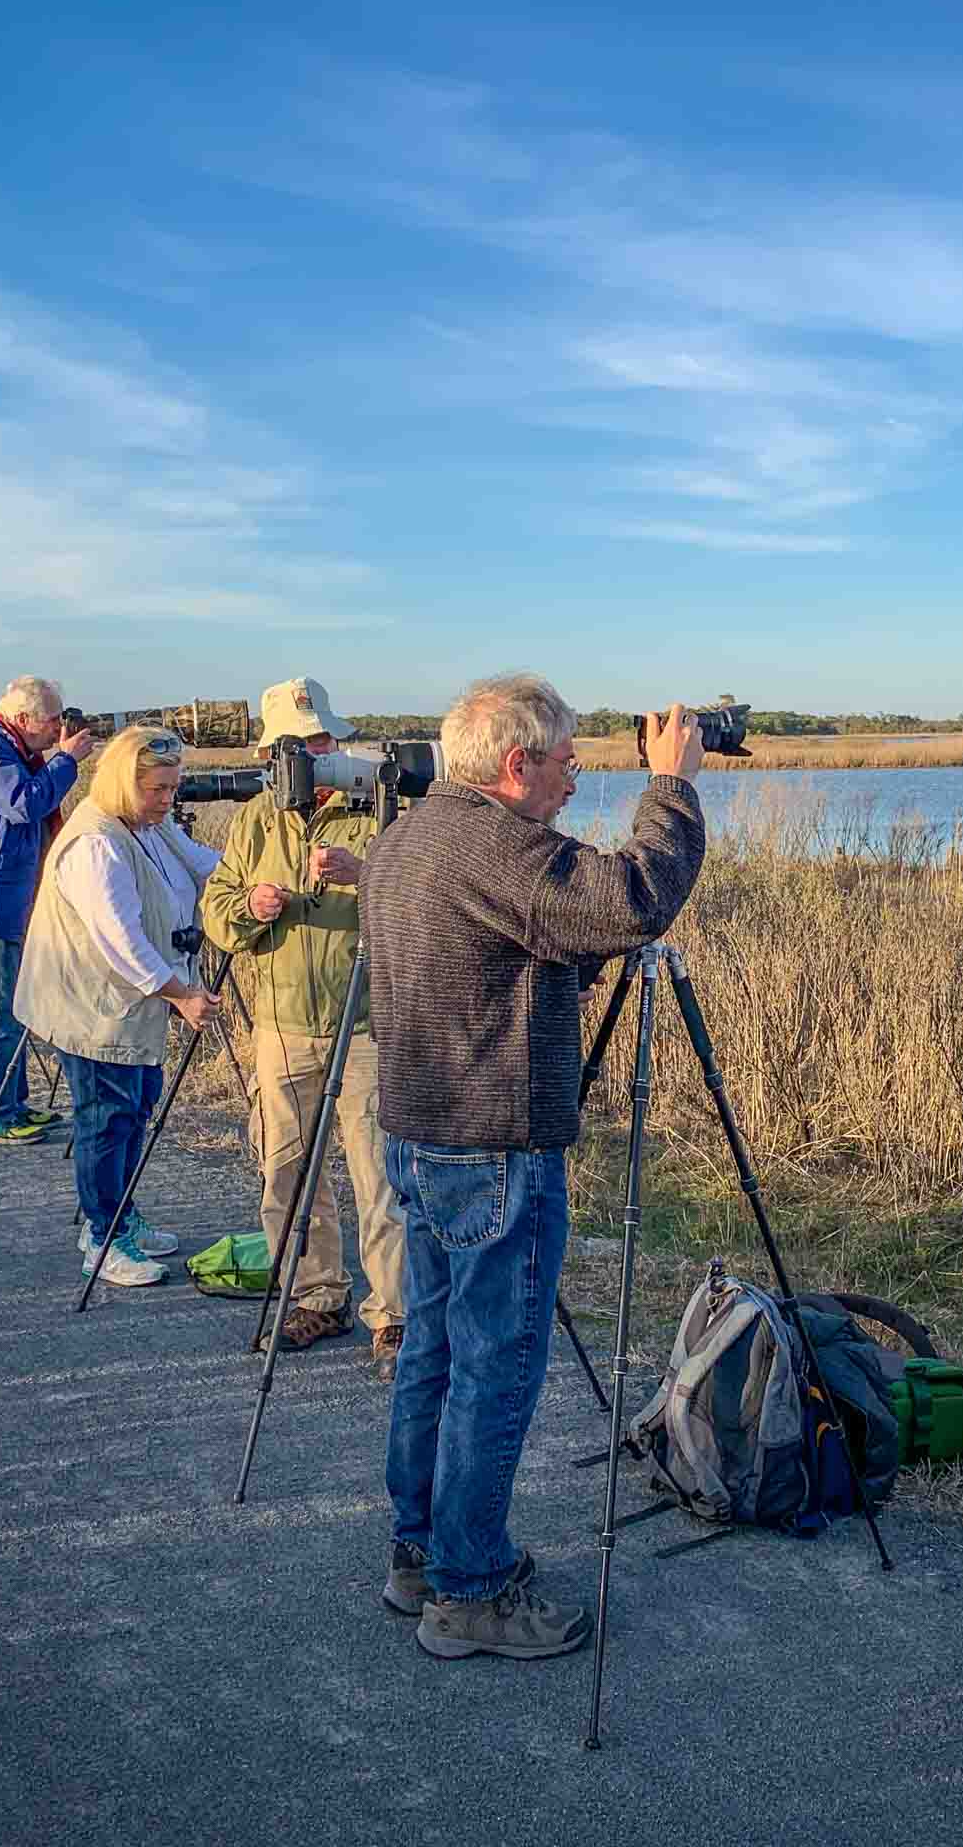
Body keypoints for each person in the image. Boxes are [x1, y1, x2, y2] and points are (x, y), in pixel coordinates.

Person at [363, 676, 705, 1661]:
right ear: (516, 763)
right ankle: (468, 1593)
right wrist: (671, 786)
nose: (575, 773)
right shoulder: (497, 843)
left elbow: (515, 942)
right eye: (564, 759)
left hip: (420, 1138)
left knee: (431, 1354)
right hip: (488, 1146)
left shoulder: (412, 836)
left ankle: (419, 1555)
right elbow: (630, 901)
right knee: (493, 1369)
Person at [199, 676, 407, 1374]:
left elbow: (421, 901)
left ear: (335, 742)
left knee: (379, 1175)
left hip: (369, 1024)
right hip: (282, 1023)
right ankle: (318, 1295)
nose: (308, 756)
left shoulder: (379, 804)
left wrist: (366, 869)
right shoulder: (257, 818)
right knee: (285, 1170)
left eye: (318, 741)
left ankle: (396, 1316)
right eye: (294, 744)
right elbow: (217, 909)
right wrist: (251, 908)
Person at [16, 727, 220, 1286]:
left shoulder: (149, 825)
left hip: (131, 1004)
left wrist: (258, 883)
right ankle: (102, 1238)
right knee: (107, 1118)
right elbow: (120, 939)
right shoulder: (97, 842)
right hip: (94, 1009)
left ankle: (122, 1215)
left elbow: (206, 864)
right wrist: (180, 994)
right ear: (125, 783)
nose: (168, 799)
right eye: (158, 788)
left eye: (173, 787)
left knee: (135, 1109)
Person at [0, 677, 94, 1147]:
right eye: (52, 719)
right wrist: (67, 760)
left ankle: (13, 1103)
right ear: (22, 719)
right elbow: (24, 804)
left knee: (14, 1005)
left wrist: (58, 761)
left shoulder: (12, 748)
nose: (58, 727)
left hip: (12, 891)